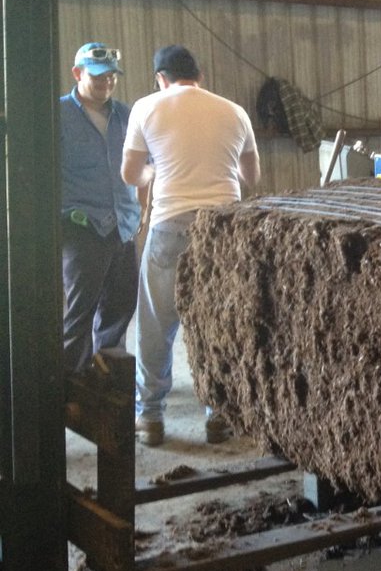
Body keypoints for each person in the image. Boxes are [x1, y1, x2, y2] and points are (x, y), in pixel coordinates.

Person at [120, 45, 260, 446]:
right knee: (219, 321)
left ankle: (149, 418)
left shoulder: (147, 107)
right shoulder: (234, 112)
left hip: (170, 226)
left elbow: (131, 173)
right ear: (198, 76)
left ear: (161, 78)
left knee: (155, 326)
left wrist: (155, 170)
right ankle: (219, 416)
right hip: (223, 230)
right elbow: (251, 177)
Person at [60, 42, 141, 373]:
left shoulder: (126, 115)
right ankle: (71, 385)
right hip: (82, 226)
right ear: (77, 74)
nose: (107, 83)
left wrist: (141, 212)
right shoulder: (59, 115)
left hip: (122, 225)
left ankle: (107, 379)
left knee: (121, 305)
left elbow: (140, 165)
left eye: (111, 76)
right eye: (98, 77)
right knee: (80, 309)